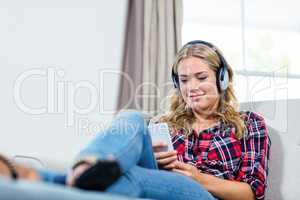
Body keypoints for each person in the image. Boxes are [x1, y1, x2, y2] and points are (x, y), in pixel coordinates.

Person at [0, 40, 271, 200]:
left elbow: (251, 193)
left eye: (201, 77)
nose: (192, 87)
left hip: (202, 195)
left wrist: (198, 178)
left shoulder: (248, 123)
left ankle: (37, 176)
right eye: (185, 80)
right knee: (132, 118)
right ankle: (84, 167)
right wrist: (153, 157)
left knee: (129, 176)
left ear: (222, 79)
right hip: (159, 185)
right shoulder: (165, 124)